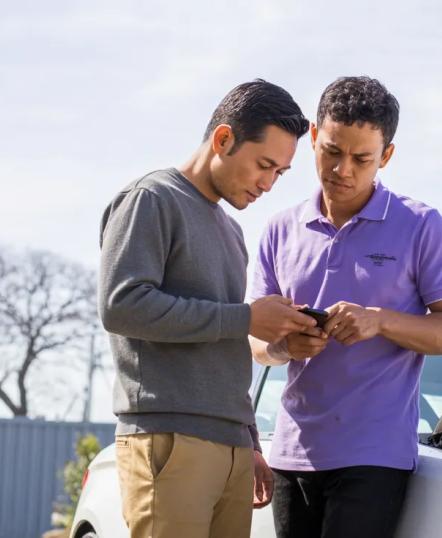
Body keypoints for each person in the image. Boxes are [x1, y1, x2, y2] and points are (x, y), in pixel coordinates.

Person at [249, 76, 442, 538]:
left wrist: (380, 321)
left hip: (374, 455)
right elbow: (255, 340)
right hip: (292, 452)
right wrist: (285, 347)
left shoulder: (420, 225)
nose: (343, 170)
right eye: (332, 151)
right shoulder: (279, 229)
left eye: (362, 158)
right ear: (313, 137)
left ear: (386, 156)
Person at [98, 79, 319, 538]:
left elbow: (224, 347)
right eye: (264, 165)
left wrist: (250, 440)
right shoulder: (151, 199)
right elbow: (122, 305)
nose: (269, 184)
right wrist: (247, 317)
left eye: (280, 173)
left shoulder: (232, 231)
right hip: (169, 439)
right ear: (223, 140)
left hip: (232, 447)